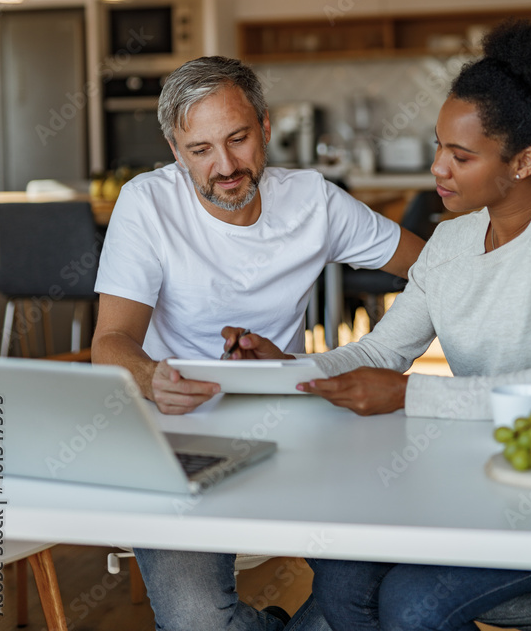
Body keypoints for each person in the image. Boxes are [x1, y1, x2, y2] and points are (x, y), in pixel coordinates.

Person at [231, 19, 531, 631]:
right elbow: (382, 350)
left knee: (413, 603)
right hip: (480, 478)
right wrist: (290, 367)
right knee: (341, 568)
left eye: (461, 155)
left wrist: (410, 394)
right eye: (438, 146)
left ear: (524, 160)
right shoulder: (448, 244)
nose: (437, 169)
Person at [91, 54, 424, 631]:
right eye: (200, 150)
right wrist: (150, 377)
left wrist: (347, 359)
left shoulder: (313, 200)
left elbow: (432, 270)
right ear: (175, 149)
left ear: (265, 128)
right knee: (197, 622)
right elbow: (112, 341)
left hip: (295, 420)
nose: (225, 166)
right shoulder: (147, 205)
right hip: (177, 437)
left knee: (377, 586)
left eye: (239, 139)